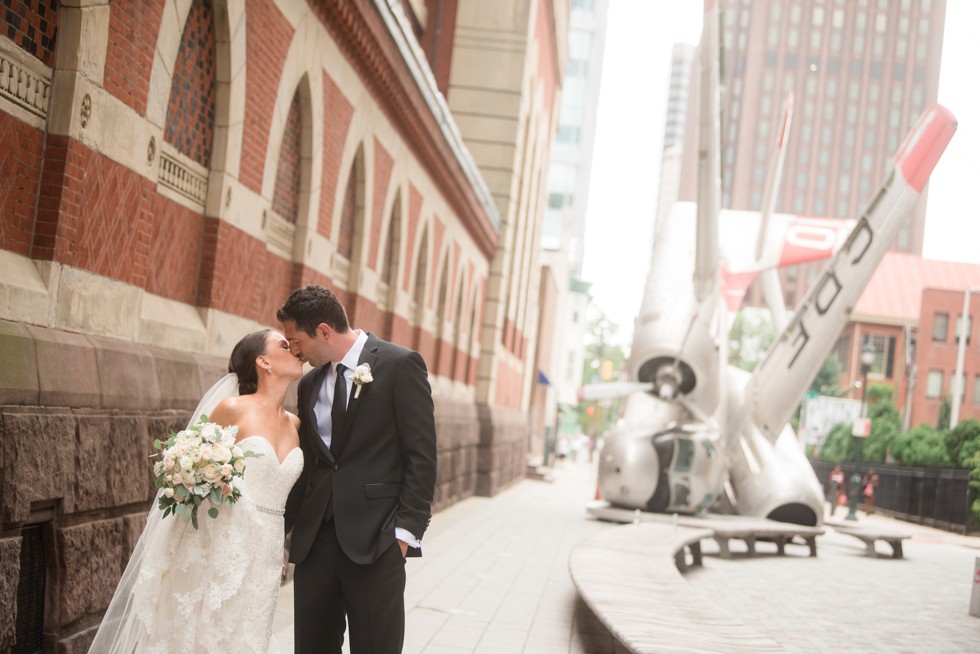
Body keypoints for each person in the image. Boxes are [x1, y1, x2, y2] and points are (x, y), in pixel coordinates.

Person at [88, 329, 304, 653]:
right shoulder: (232, 409)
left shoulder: (295, 424)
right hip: (223, 546)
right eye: (284, 346)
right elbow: (189, 469)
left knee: (252, 637)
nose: (295, 352)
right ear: (264, 362)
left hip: (268, 552)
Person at [278, 285, 437, 654]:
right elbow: (311, 464)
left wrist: (403, 535)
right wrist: (283, 534)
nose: (294, 350)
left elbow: (422, 457)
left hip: (377, 541)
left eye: (295, 340)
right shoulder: (309, 384)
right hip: (316, 543)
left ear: (323, 331)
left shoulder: (400, 365)